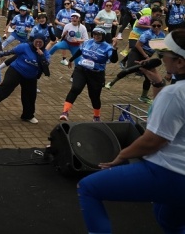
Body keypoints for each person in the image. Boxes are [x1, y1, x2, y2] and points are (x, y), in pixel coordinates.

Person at [77, 29, 185, 234]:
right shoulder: (174, 90)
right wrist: (157, 81)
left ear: (180, 62)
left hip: (171, 172)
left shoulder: (175, 93)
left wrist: (121, 156)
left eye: (164, 55)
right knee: (170, 222)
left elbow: (153, 141)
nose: (159, 58)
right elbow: (172, 115)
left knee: (89, 188)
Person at [0, 34, 51, 124]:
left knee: (30, 96)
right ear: (33, 41)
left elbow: (46, 67)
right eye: (36, 41)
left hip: (30, 77)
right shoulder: (25, 46)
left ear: (44, 43)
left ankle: (28, 116)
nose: (38, 43)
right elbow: (11, 51)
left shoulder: (45, 53)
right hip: (16, 70)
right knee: (6, 86)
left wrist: (41, 56)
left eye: (40, 42)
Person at [59, 28, 118, 122]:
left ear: (103, 36)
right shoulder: (88, 42)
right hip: (81, 70)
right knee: (75, 88)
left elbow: (114, 60)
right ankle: (65, 112)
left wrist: (114, 48)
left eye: (99, 35)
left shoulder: (107, 47)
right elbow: (80, 51)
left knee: (94, 96)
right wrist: (71, 59)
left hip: (96, 74)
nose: (96, 36)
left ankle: (96, 116)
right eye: (94, 34)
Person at [127, 18, 165, 103]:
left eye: (158, 26)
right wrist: (146, 56)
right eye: (154, 25)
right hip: (138, 52)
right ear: (150, 26)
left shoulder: (162, 35)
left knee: (148, 77)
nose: (156, 27)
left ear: (161, 26)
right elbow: (138, 45)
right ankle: (111, 82)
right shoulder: (147, 34)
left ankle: (143, 96)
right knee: (129, 69)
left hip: (148, 55)